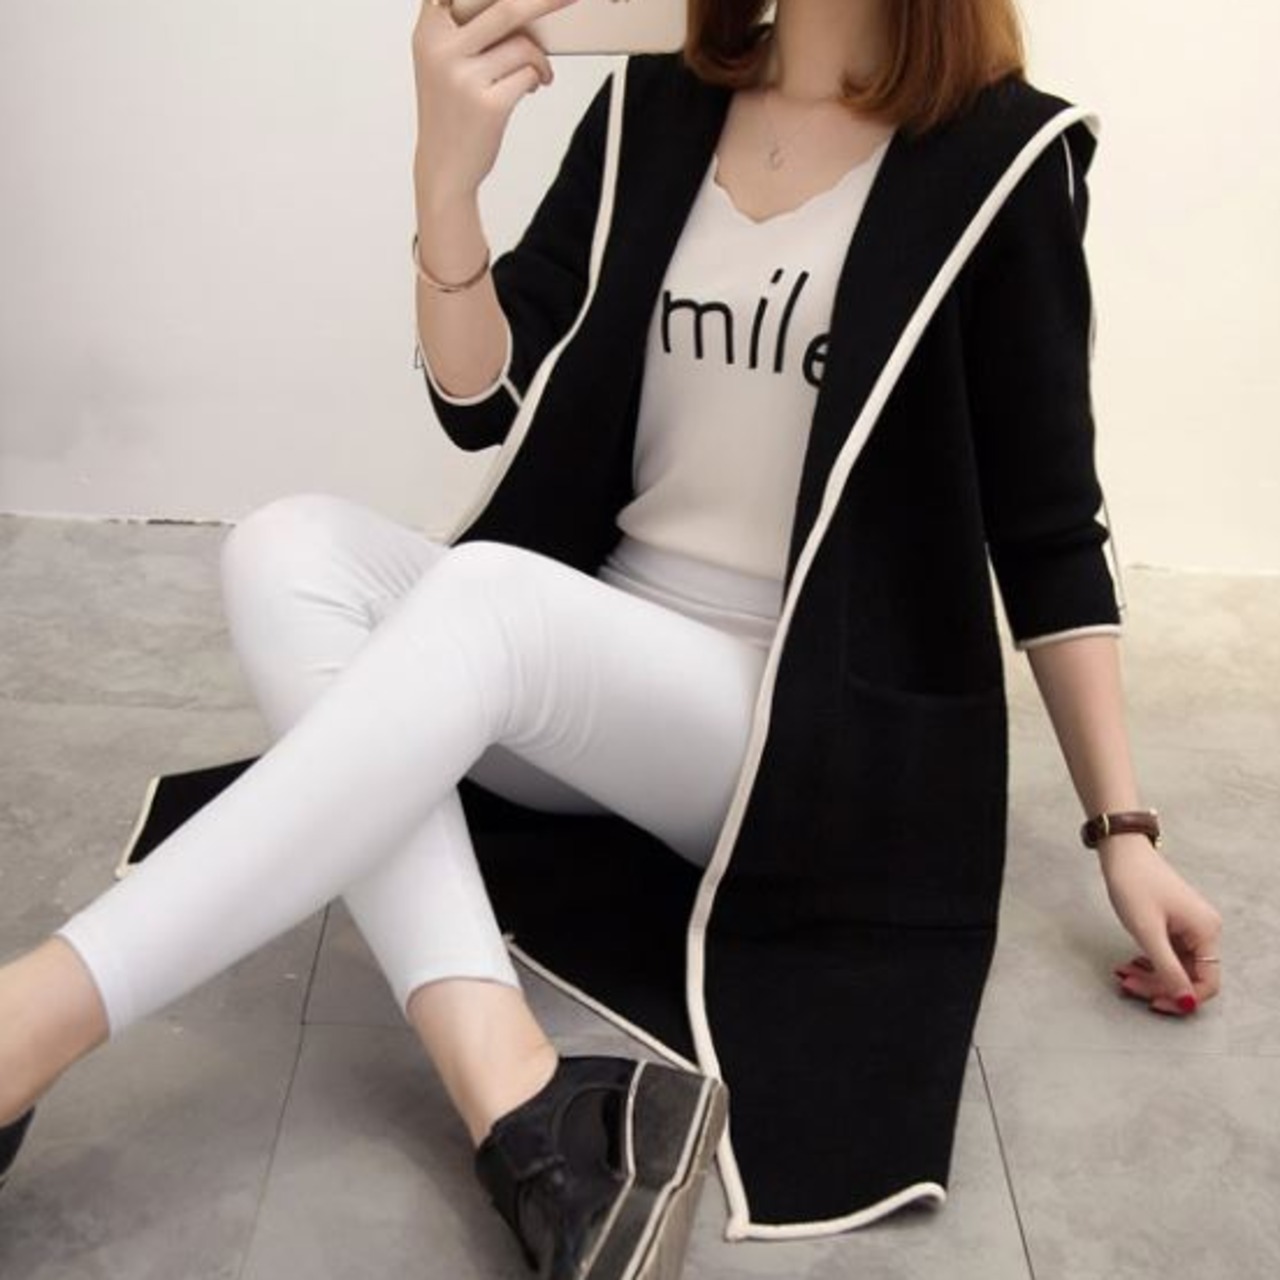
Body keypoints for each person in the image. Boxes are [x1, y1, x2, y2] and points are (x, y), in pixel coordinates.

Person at [0, 0, 1226, 1275]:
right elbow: (481, 401)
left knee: (489, 603)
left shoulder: (1002, 160)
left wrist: (1121, 829)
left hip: (798, 725)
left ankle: (24, 1023)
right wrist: (444, 175)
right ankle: (520, 1102)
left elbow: (1045, 523)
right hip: (594, 666)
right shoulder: (657, 106)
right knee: (284, 546)